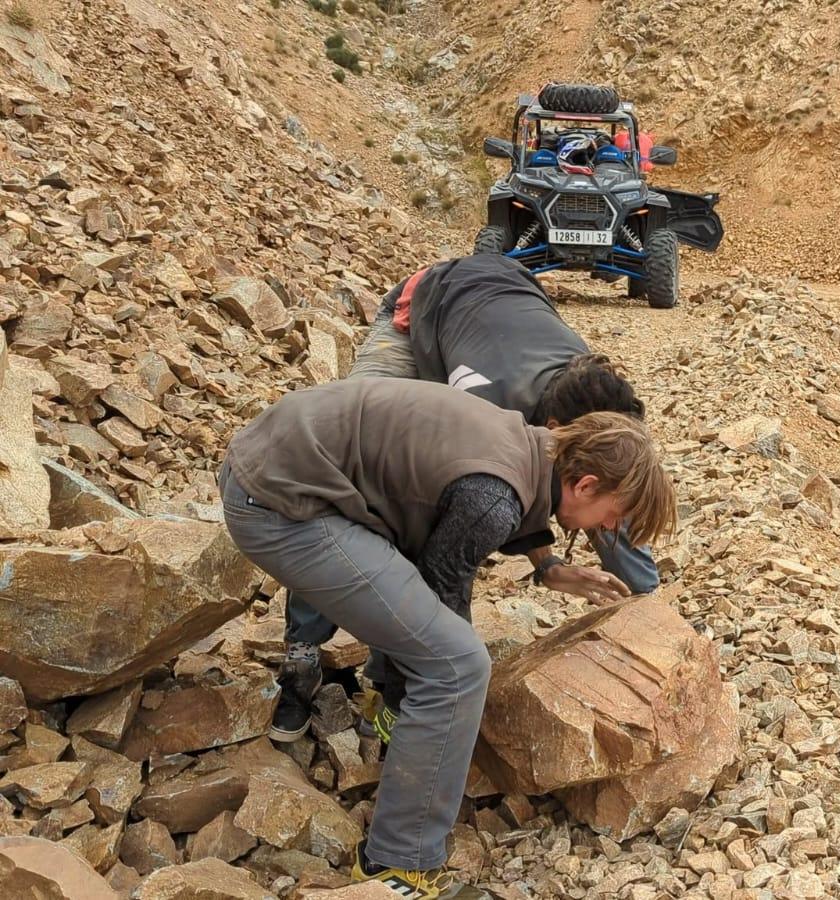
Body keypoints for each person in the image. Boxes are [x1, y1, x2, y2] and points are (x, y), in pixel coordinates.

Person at [221, 378, 674, 899]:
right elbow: (445, 589)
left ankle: (390, 716)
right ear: (586, 485)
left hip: (275, 463)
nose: (606, 532)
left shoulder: (531, 444)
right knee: (458, 665)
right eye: (613, 518)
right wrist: (422, 701)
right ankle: (398, 867)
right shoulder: (494, 497)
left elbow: (479, 510)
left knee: (431, 638)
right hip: (278, 505)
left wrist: (548, 565)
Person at [272, 253, 659, 743]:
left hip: (498, 303)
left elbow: (597, 491)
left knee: (608, 489)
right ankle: (304, 654)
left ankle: (645, 603)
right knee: (353, 479)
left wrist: (641, 616)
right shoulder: (485, 410)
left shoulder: (592, 394)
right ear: (554, 434)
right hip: (420, 315)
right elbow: (448, 558)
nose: (605, 528)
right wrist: (429, 680)